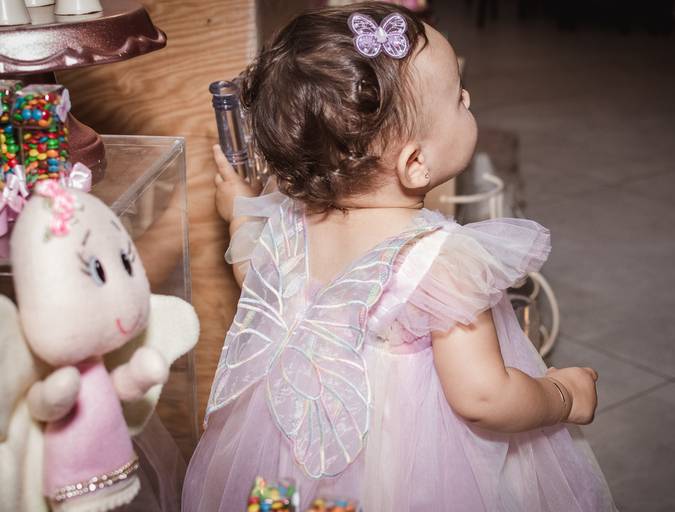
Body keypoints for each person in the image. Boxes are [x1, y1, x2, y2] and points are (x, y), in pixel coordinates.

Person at [184, 2, 617, 510]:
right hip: (404, 476)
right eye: (459, 98)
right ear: (415, 164)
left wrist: (239, 209)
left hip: (293, 454)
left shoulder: (288, 223)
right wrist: (563, 396)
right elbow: (483, 397)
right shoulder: (440, 261)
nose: (469, 99)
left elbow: (253, 277)